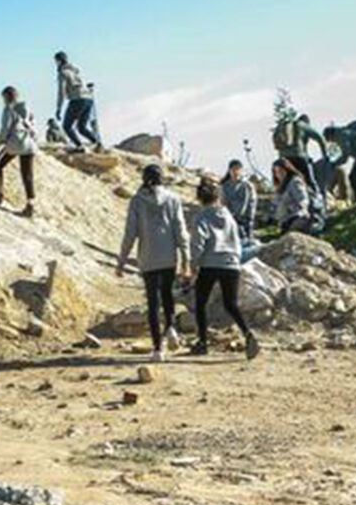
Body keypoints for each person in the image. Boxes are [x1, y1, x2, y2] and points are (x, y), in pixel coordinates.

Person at [117, 164, 190, 362]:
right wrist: (186, 259)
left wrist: (121, 261)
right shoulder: (173, 199)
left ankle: (158, 350)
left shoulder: (137, 201)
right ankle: (171, 328)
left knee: (152, 301)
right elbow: (181, 230)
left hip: (148, 257)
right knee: (167, 294)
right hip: (168, 256)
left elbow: (130, 233)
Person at [187, 177, 261, 360]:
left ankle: (202, 342)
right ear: (218, 196)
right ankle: (248, 333)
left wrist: (193, 265)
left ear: (200, 197)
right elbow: (236, 241)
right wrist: (235, 260)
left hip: (210, 264)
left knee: (201, 303)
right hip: (231, 264)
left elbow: (198, 243)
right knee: (231, 304)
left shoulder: (201, 217)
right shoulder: (228, 216)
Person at [0, 86, 37, 218]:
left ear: (6, 97)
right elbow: (33, 125)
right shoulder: (27, 108)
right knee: (27, 175)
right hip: (30, 144)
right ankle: (30, 205)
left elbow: (5, 129)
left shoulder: (8, 109)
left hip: (15, 143)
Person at [54, 51, 103, 152]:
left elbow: (61, 92)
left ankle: (80, 146)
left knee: (66, 126)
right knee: (82, 127)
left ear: (58, 61)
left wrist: (58, 108)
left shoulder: (63, 73)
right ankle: (97, 143)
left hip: (77, 100)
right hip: (88, 99)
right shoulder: (76, 71)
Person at [274, 113, 327, 196]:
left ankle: (277, 202)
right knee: (309, 181)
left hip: (283, 159)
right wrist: (325, 155)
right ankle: (317, 201)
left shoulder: (285, 126)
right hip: (299, 157)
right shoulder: (303, 125)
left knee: (285, 183)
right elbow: (320, 137)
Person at [323, 120, 356, 203]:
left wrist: (335, 164)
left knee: (354, 176)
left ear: (330, 135)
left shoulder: (341, 135)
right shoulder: (341, 132)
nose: (331, 141)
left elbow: (345, 154)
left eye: (329, 139)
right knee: (353, 176)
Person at [220, 159, 257, 241]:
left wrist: (248, 217)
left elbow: (249, 203)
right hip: (229, 218)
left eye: (237, 169)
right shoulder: (225, 186)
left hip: (245, 219)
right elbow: (223, 201)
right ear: (229, 171)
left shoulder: (247, 185)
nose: (235, 172)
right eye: (233, 169)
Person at [272, 159, 311, 235]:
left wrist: (291, 208)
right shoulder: (280, 187)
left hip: (298, 219)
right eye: (276, 172)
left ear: (287, 170)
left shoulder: (295, 182)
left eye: (281, 171)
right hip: (285, 221)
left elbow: (303, 199)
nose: (279, 174)